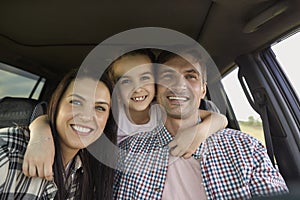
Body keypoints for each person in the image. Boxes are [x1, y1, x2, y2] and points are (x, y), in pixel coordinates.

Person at [23, 49, 228, 180]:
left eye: (145, 77)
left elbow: (218, 118)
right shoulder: (106, 113)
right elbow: (50, 117)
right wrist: (40, 135)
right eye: (126, 81)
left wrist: (199, 132)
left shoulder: (162, 111)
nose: (137, 88)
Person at [113, 50, 289, 199]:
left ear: (203, 90)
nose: (179, 85)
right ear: (157, 88)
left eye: (190, 76)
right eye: (168, 76)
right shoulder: (128, 152)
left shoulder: (246, 148)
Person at [0, 68, 117, 199]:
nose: (86, 116)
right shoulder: (7, 150)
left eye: (100, 108)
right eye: (76, 102)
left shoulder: (82, 171)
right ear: (56, 105)